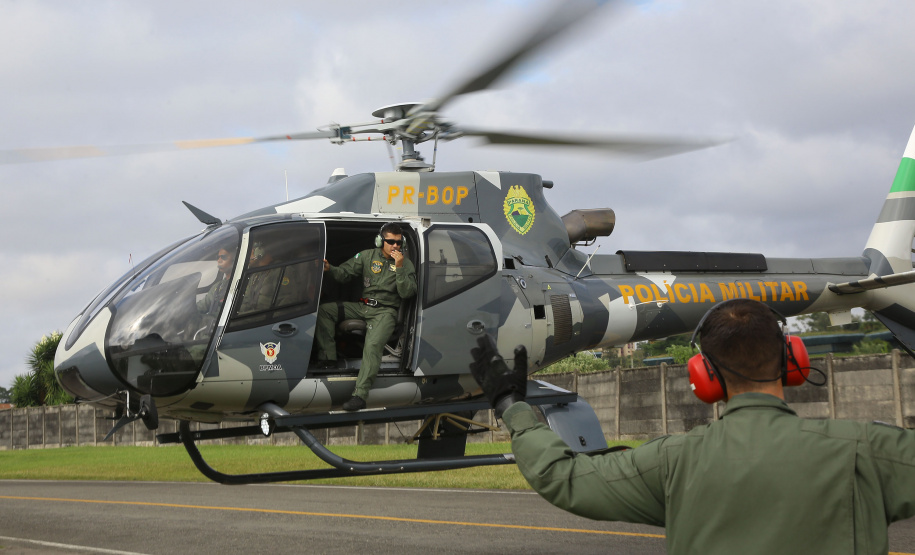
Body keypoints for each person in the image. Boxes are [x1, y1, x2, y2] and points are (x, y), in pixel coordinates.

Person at [470, 299, 915, 555]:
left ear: (704, 376)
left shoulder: (672, 461)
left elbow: (563, 478)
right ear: (793, 361)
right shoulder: (869, 451)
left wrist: (511, 404)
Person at [315, 222, 417, 411]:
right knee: (325, 311)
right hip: (363, 307)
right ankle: (328, 359)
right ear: (380, 241)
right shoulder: (366, 256)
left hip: (385, 312)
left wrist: (400, 267)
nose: (395, 246)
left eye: (398, 242)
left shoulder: (405, 264)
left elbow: (407, 293)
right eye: (390, 241)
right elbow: (344, 274)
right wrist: (330, 269)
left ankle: (360, 395)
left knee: (372, 347)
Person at [237, 243, 281, 314]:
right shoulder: (254, 275)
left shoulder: (279, 271)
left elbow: (287, 299)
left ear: (259, 251)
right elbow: (246, 301)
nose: (245, 256)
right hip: (254, 315)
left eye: (248, 251)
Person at [197, 246, 235, 316]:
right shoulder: (217, 286)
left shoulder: (239, 283)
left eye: (223, 257)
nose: (219, 260)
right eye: (218, 257)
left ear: (234, 259)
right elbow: (202, 305)